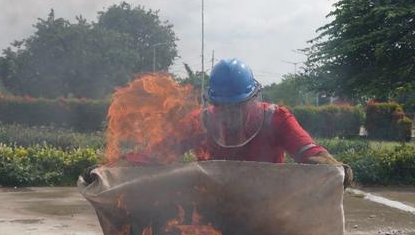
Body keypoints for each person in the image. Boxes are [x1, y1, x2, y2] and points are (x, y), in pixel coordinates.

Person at [123, 58, 353, 185]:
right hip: (215, 214)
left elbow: (311, 152)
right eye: (223, 106)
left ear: (253, 99)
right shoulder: (198, 123)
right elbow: (155, 155)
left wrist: (335, 169)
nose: (230, 114)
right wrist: (109, 171)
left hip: (269, 214)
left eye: (237, 106)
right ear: (213, 102)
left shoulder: (277, 118)